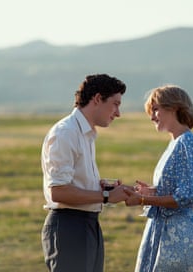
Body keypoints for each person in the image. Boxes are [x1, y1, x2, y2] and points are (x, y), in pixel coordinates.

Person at [124, 85, 193, 271]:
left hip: (180, 238)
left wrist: (142, 199)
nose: (152, 116)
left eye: (156, 109)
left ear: (174, 108)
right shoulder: (175, 142)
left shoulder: (188, 142)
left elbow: (186, 197)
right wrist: (152, 191)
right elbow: (176, 187)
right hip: (162, 231)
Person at [41, 74, 129, 272]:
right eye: (115, 104)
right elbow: (58, 191)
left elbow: (72, 183)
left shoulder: (86, 134)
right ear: (97, 99)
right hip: (69, 227)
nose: (118, 113)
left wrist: (103, 188)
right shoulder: (66, 132)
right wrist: (106, 196)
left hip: (88, 225)